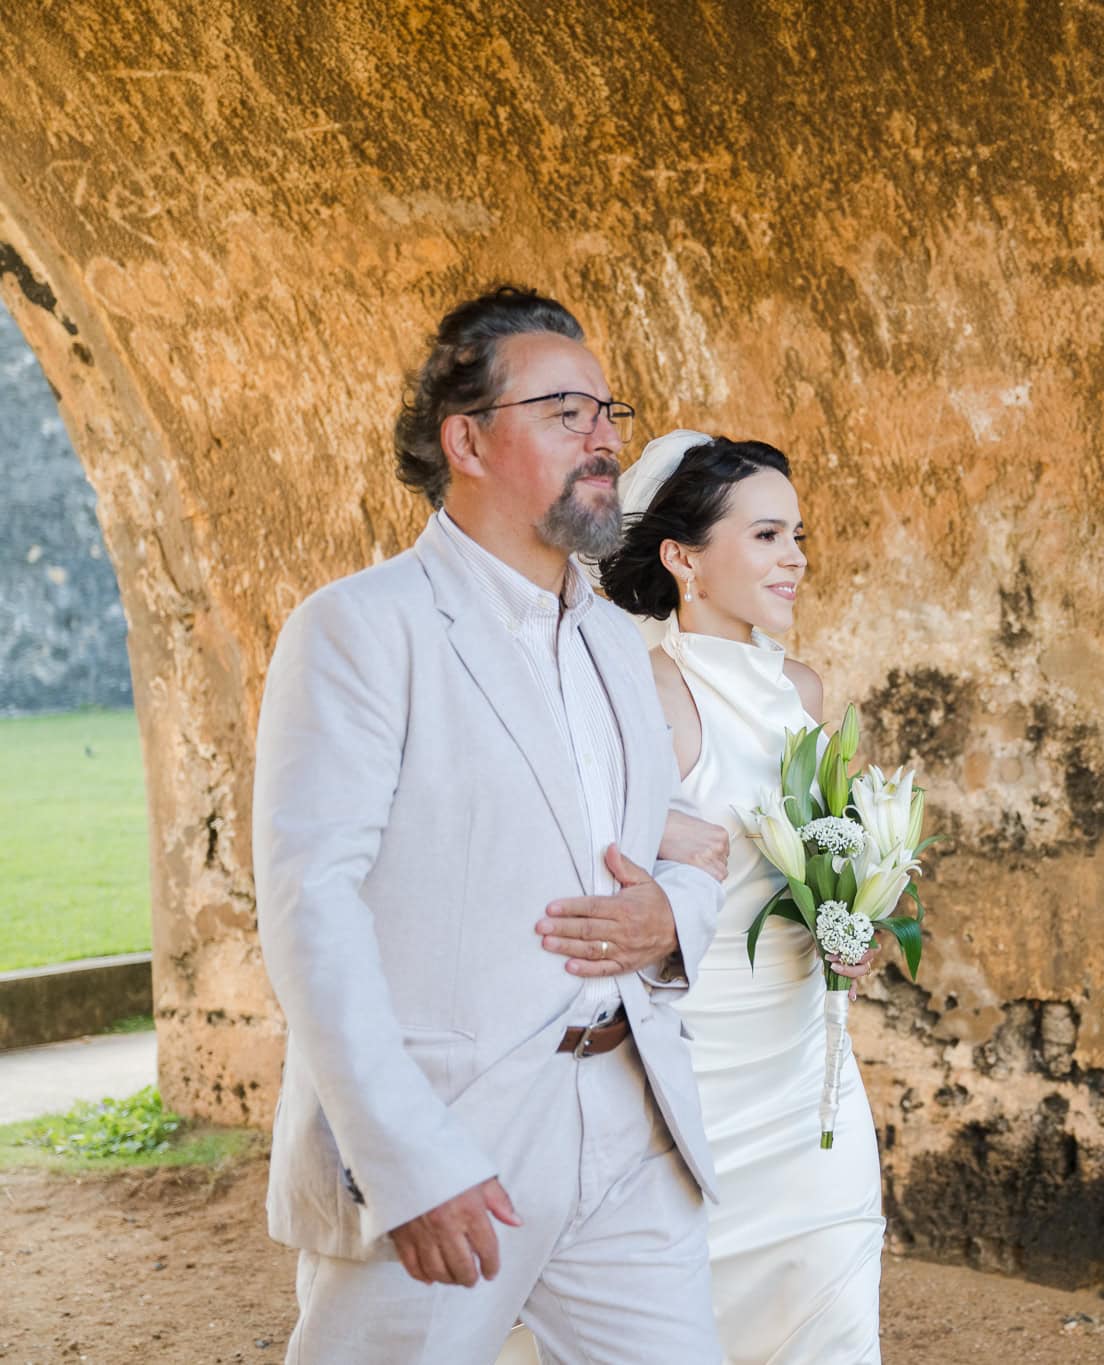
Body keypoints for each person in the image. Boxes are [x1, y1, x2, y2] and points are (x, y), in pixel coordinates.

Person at [255, 286, 731, 1363]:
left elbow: (682, 842)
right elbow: (308, 912)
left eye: (609, 412)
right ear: (464, 439)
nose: (607, 439)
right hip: (452, 1130)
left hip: (631, 1117)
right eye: (567, 412)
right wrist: (407, 1161)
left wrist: (672, 915)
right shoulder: (359, 632)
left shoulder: (616, 644)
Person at [595, 430, 886, 1363]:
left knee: (831, 1306)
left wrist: (856, 919)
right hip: (700, 1070)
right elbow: (586, 857)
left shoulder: (804, 690)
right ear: (683, 557)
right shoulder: (651, 692)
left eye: (797, 534)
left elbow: (832, 848)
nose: (794, 557)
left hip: (809, 1067)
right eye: (765, 536)